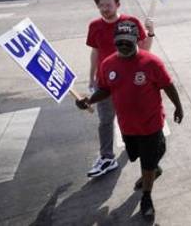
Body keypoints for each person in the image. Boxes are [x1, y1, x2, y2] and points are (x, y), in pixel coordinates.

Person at [76, 21, 183, 219]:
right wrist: (89, 99)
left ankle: (146, 196)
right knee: (139, 156)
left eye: (128, 42)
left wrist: (178, 106)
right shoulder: (107, 65)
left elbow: (168, 85)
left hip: (151, 124)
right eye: (119, 42)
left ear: (136, 40)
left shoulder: (151, 62)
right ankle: (152, 168)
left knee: (149, 158)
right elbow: (105, 89)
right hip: (127, 126)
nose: (123, 46)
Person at [85, 0, 155, 178]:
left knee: (136, 120)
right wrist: (91, 77)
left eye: (108, 5)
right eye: (100, 5)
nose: (104, 9)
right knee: (105, 121)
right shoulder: (94, 26)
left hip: (130, 83)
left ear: (117, 5)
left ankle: (147, 157)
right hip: (105, 84)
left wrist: (150, 33)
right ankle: (107, 157)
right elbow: (95, 52)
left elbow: (144, 50)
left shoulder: (130, 23)